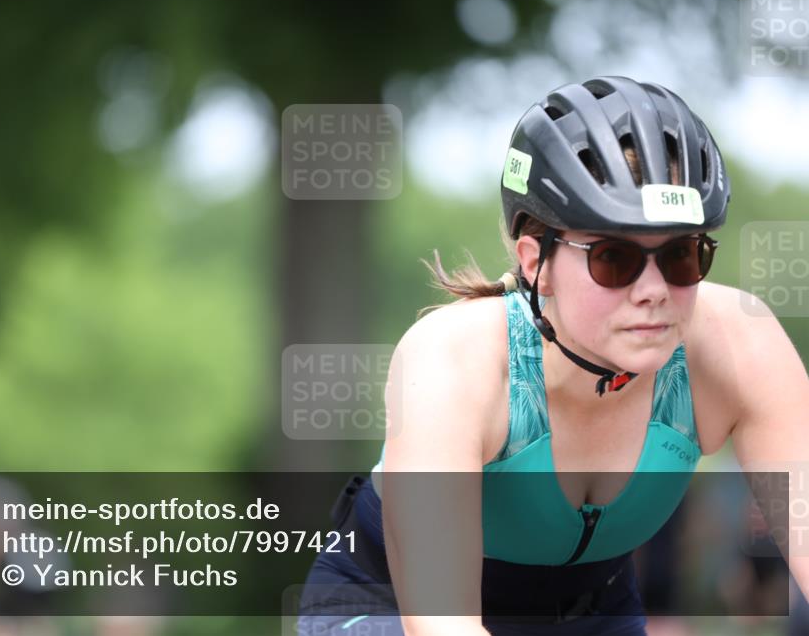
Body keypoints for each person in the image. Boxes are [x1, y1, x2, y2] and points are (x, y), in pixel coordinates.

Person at [297, 76, 809, 636]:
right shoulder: (452, 358)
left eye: (682, 255)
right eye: (614, 258)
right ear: (535, 261)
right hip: (394, 608)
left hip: (592, 609)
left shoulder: (740, 342)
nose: (655, 289)